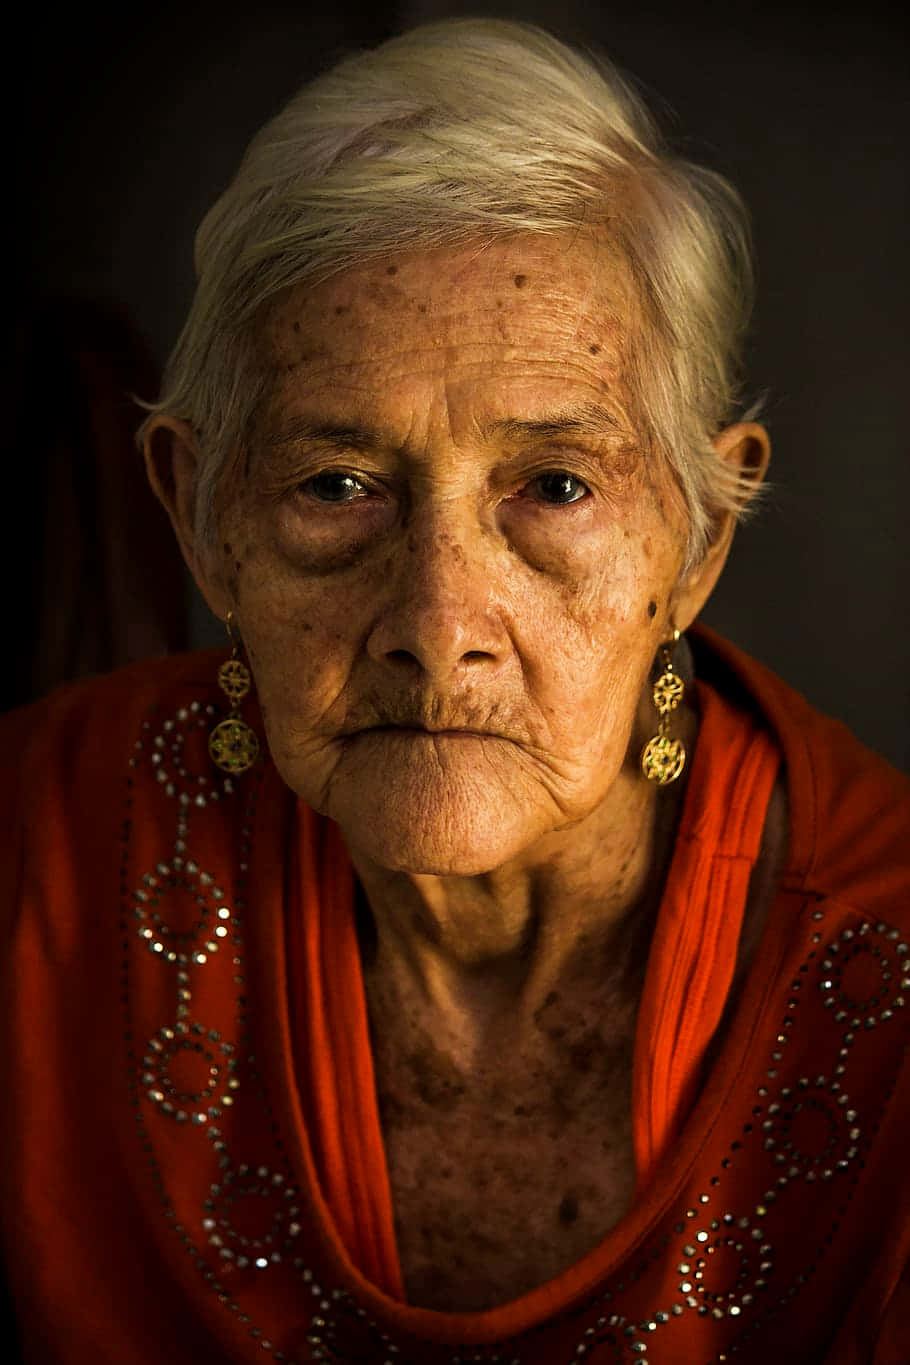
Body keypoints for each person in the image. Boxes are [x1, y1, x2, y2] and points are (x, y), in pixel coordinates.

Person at [2, 17, 908, 1365]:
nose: (436, 626)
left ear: (697, 541)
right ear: (200, 513)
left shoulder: (888, 981)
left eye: (553, 485)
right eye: (335, 484)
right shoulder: (32, 852)